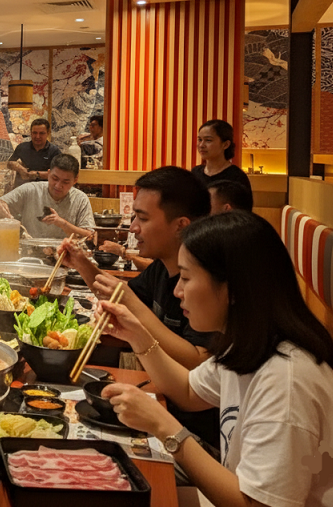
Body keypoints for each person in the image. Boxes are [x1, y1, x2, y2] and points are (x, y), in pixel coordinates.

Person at [99, 211, 333, 506]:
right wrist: (137, 336)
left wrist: (164, 427)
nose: (177, 291)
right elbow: (188, 391)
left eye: (186, 278)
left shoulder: (286, 382)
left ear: (233, 290)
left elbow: (256, 504)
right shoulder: (248, 345)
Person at [59, 165, 217, 445]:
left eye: (142, 218)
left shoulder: (207, 281)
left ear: (181, 225)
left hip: (191, 430)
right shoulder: (161, 268)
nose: (133, 227)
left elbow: (197, 361)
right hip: (162, 403)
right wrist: (81, 263)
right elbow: (119, 299)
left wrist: (130, 303)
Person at [0, 153, 95, 240]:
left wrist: (62, 223)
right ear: (48, 174)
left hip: (66, 254)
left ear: (75, 180)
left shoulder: (80, 199)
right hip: (30, 253)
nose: (58, 185)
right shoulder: (30, 189)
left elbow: (90, 236)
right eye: (55, 178)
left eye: (65, 182)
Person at [192, 119, 251, 191]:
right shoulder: (195, 173)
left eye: (208, 140)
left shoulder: (237, 177)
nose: (201, 145)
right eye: (200, 140)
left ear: (226, 144)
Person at [7, 118, 60, 187]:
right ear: (31, 133)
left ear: (48, 133)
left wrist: (37, 174)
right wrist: (20, 168)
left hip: (44, 189)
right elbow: (9, 163)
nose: (37, 136)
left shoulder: (54, 151)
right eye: (35, 133)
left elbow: (59, 174)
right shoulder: (22, 147)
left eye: (41, 133)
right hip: (22, 188)